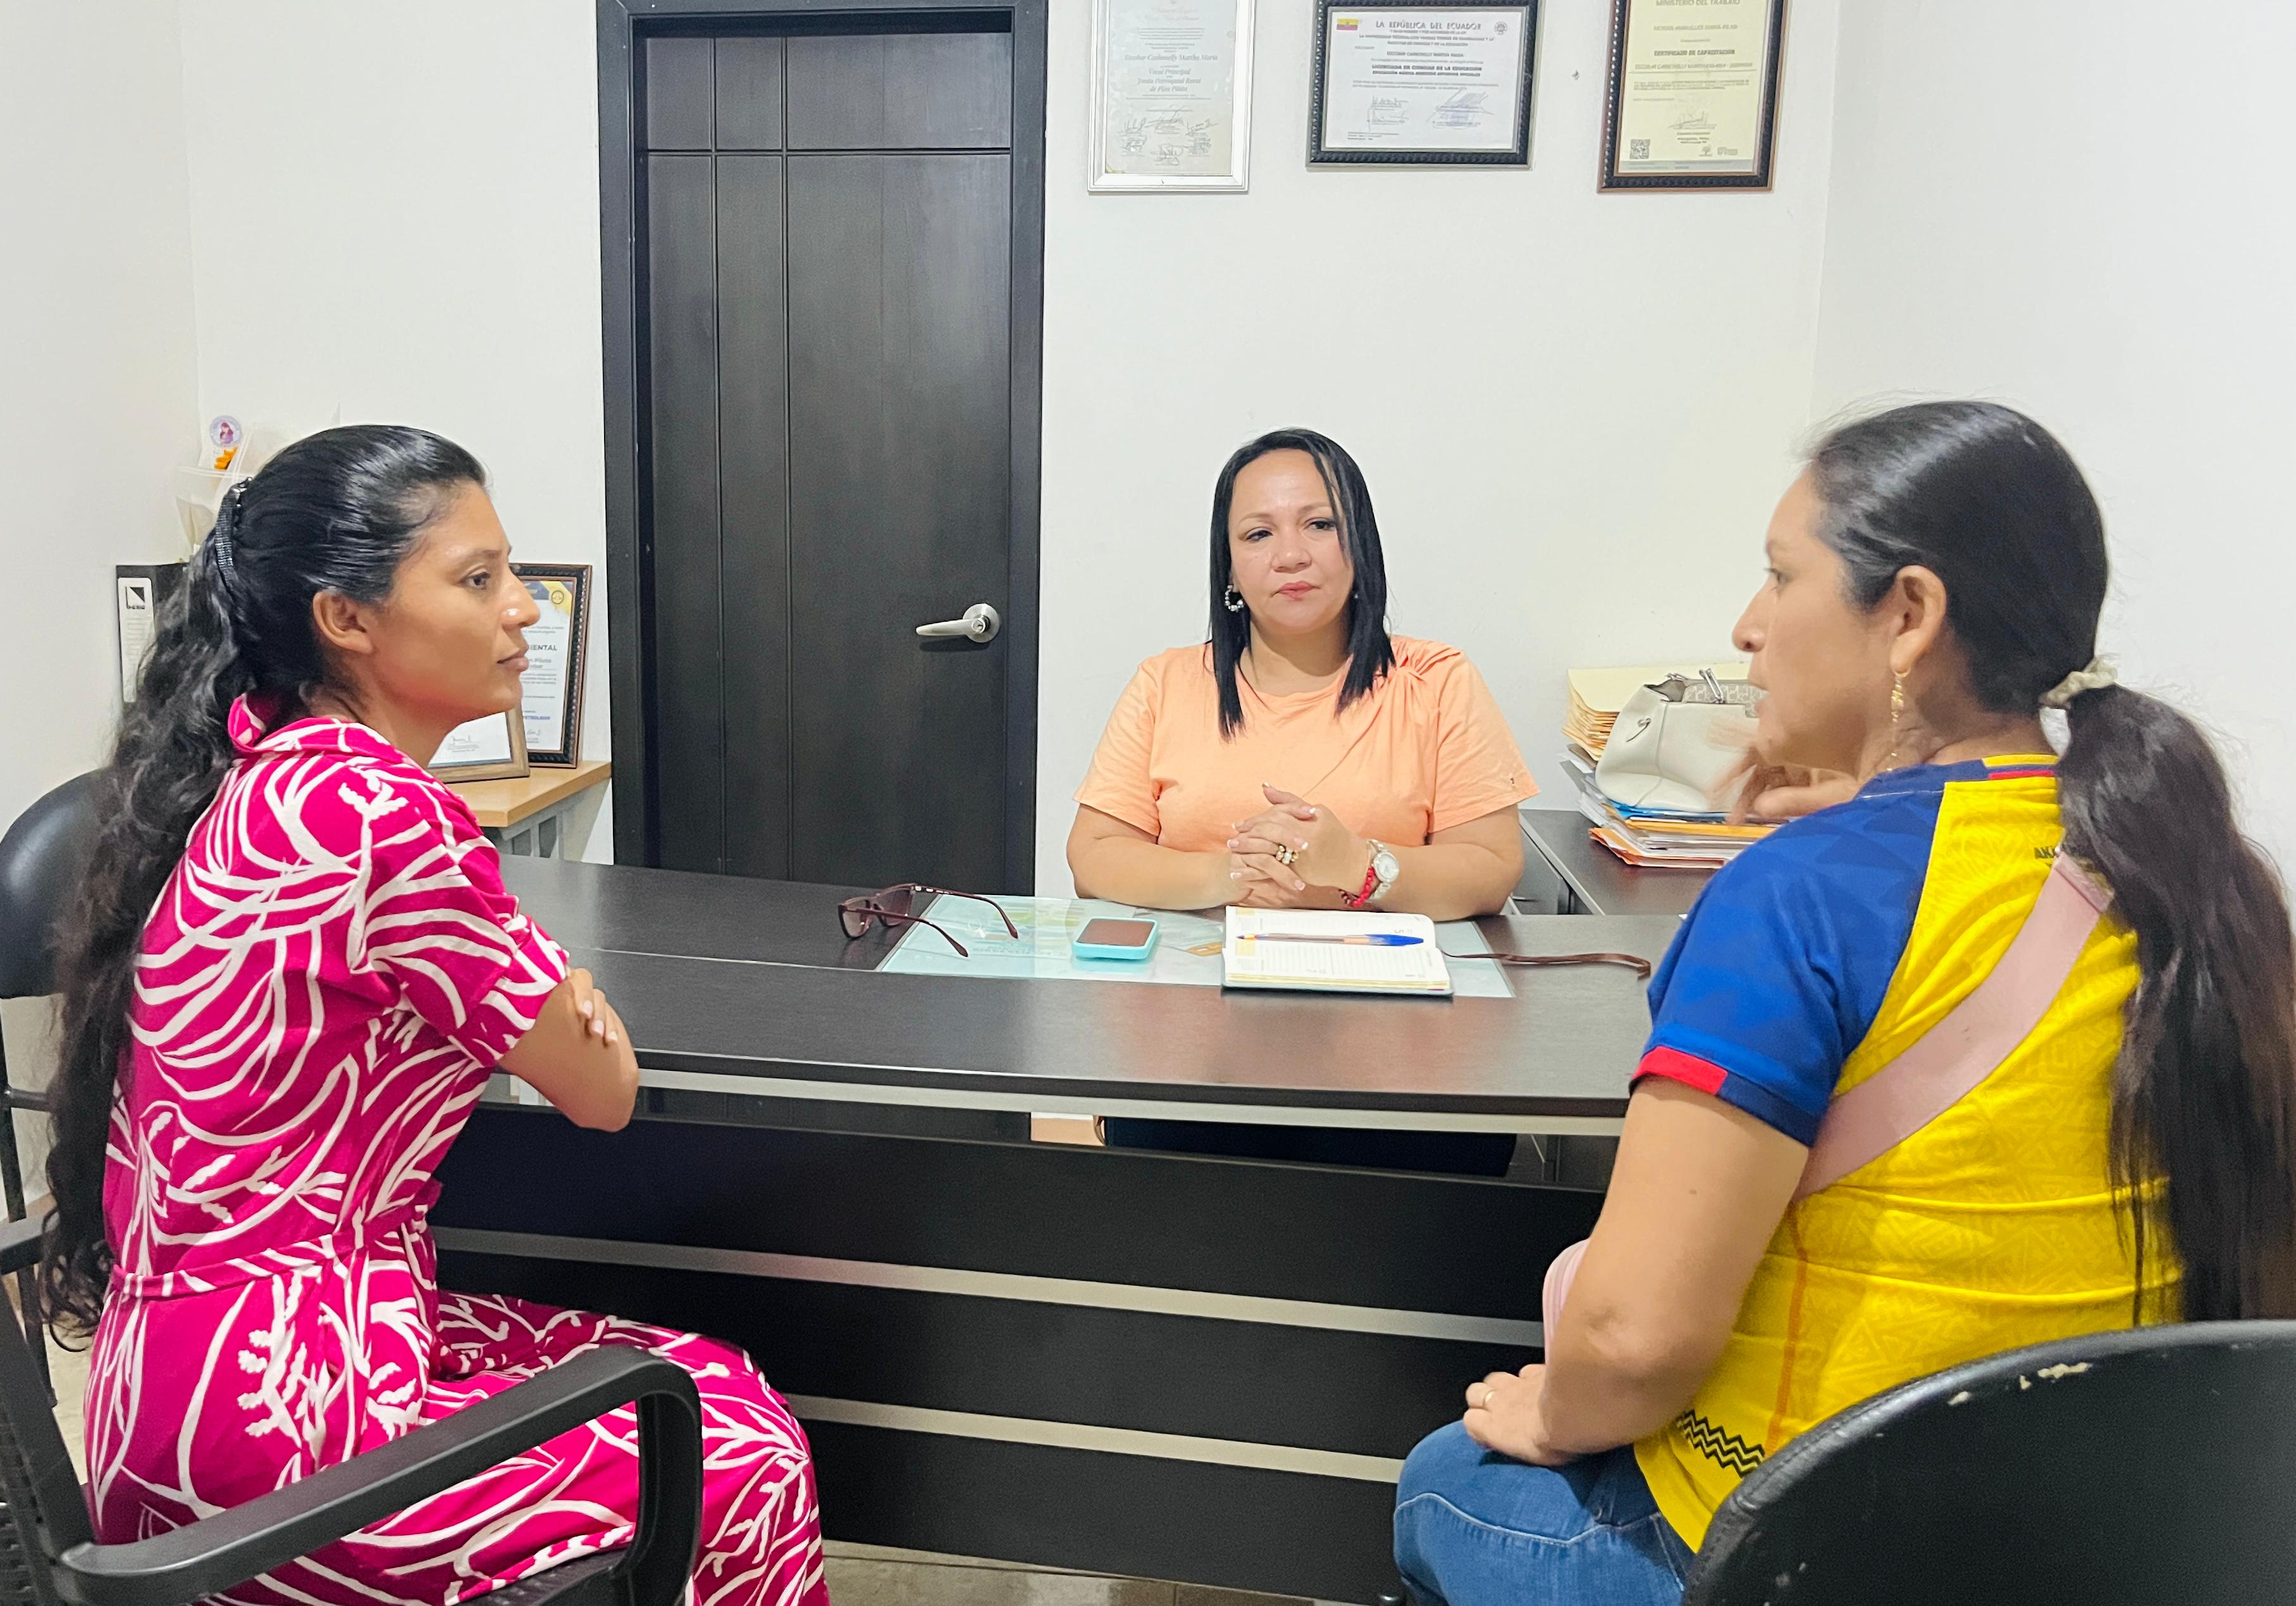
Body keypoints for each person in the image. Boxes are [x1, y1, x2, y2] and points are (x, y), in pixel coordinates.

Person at [1392, 402, 2296, 1605]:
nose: (1747, 625)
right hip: (2112, 1546)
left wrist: (1550, 1413)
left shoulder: (1802, 894)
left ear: (1908, 613)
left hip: (1817, 1552)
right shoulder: (2197, 870)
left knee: (1447, 1478)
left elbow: (1631, 1341)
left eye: (1780, 575)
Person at [46, 428, 827, 1606]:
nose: (523, 607)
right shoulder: (381, 810)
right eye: (477, 578)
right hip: (289, 1427)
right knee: (742, 1447)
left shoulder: (262, 773)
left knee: (690, 1372)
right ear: (346, 618)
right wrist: (559, 985)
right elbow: (602, 1089)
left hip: (164, 1413)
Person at [1067, 428, 1534, 1173]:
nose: (1290, 554)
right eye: (1259, 533)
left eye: (1319, 524)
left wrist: (1361, 865)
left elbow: (1491, 866)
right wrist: (1230, 877)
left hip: (1408, 1056)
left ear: (1360, 543)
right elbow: (1093, 855)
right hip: (1193, 1051)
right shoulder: (1166, 683)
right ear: (1229, 566)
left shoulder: (1437, 682)